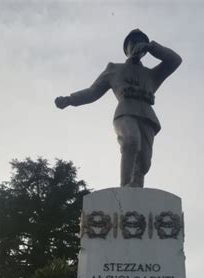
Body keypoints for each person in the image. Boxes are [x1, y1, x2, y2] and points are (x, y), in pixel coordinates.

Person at [55, 29, 182, 187]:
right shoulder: (114, 70)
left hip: (147, 117)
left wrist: (151, 47)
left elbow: (175, 60)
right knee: (130, 141)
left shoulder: (152, 75)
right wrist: (70, 99)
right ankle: (124, 188)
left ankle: (135, 194)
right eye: (133, 42)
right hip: (125, 113)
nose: (137, 45)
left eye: (140, 42)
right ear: (126, 48)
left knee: (144, 161)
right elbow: (92, 92)